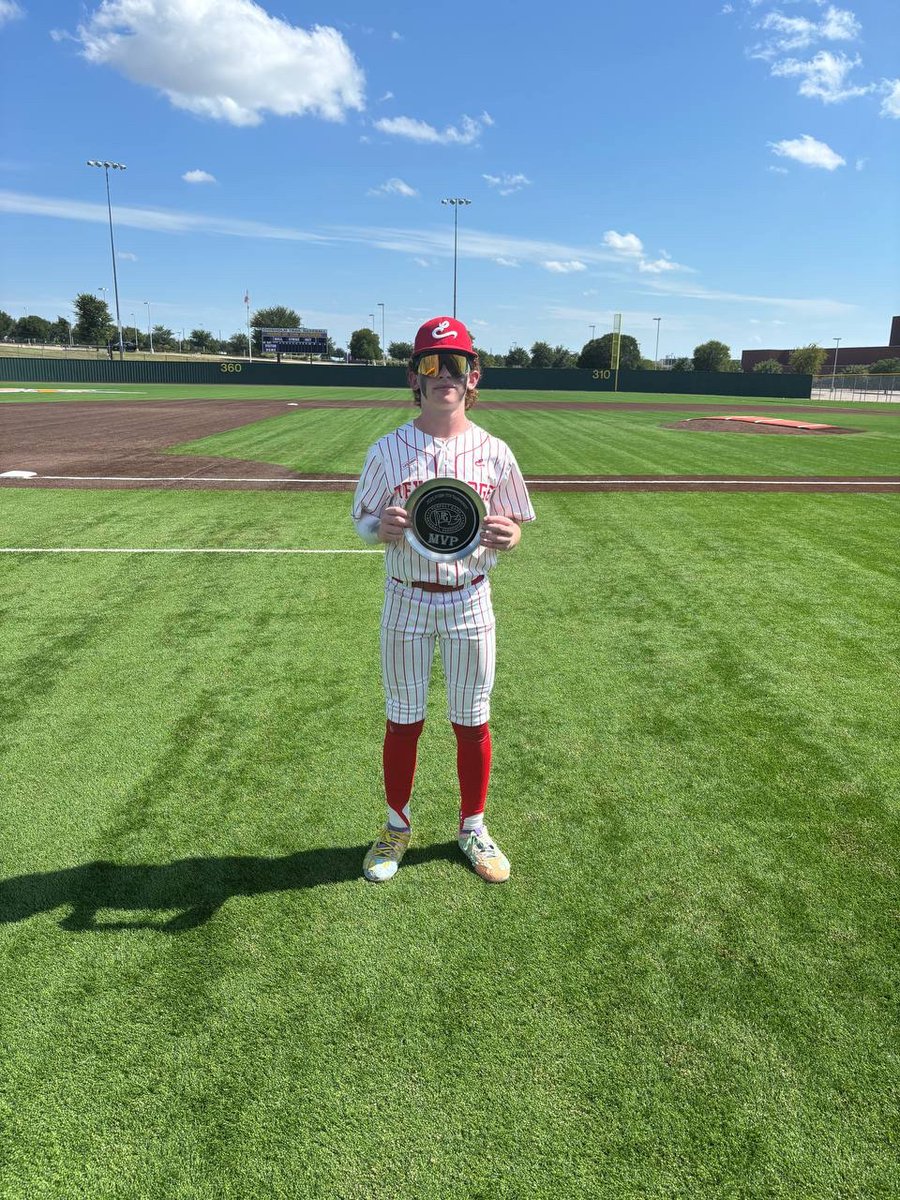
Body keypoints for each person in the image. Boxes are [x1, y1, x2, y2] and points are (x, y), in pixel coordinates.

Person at [351, 316, 535, 884]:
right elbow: (361, 521)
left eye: (456, 363)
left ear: (473, 376)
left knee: (471, 719)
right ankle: (396, 827)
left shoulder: (495, 452)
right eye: (432, 364)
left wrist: (512, 535)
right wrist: (377, 528)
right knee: (403, 718)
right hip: (405, 597)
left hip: (470, 600)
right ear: (415, 376)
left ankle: (472, 826)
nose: (444, 375)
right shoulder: (388, 449)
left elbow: (515, 523)